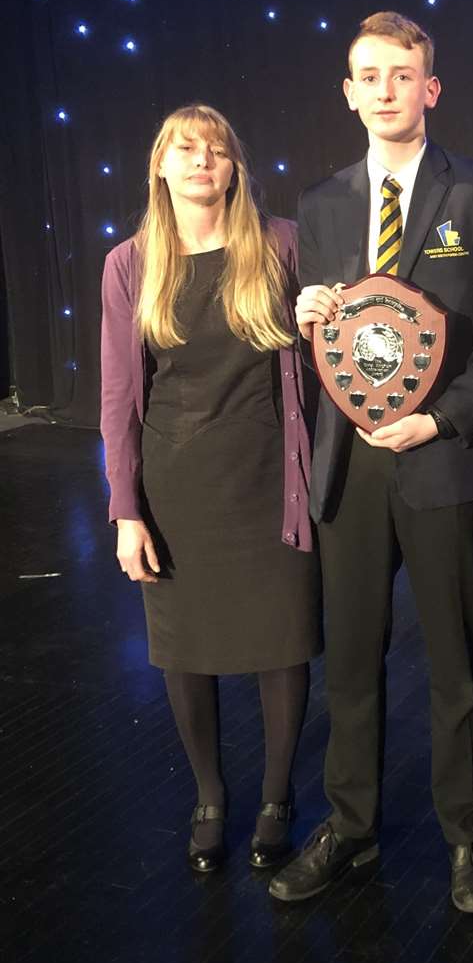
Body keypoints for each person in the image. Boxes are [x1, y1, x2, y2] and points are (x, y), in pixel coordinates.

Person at [268, 12, 473, 913]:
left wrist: (443, 422)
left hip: (440, 460)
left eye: (401, 75)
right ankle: (353, 827)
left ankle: (466, 837)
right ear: (348, 92)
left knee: (457, 659)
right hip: (351, 468)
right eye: (368, 76)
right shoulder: (325, 203)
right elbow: (331, 349)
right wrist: (306, 324)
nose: (385, 90)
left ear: (430, 89)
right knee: (352, 664)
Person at [100, 104, 321, 874]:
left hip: (271, 479)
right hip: (177, 490)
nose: (202, 162)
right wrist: (126, 510)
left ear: (235, 167)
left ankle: (276, 797)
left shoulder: (282, 243)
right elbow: (119, 397)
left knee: (282, 641)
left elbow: (324, 357)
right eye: (185, 150)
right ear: (160, 166)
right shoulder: (130, 264)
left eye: (217, 151)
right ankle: (209, 796)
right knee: (185, 649)